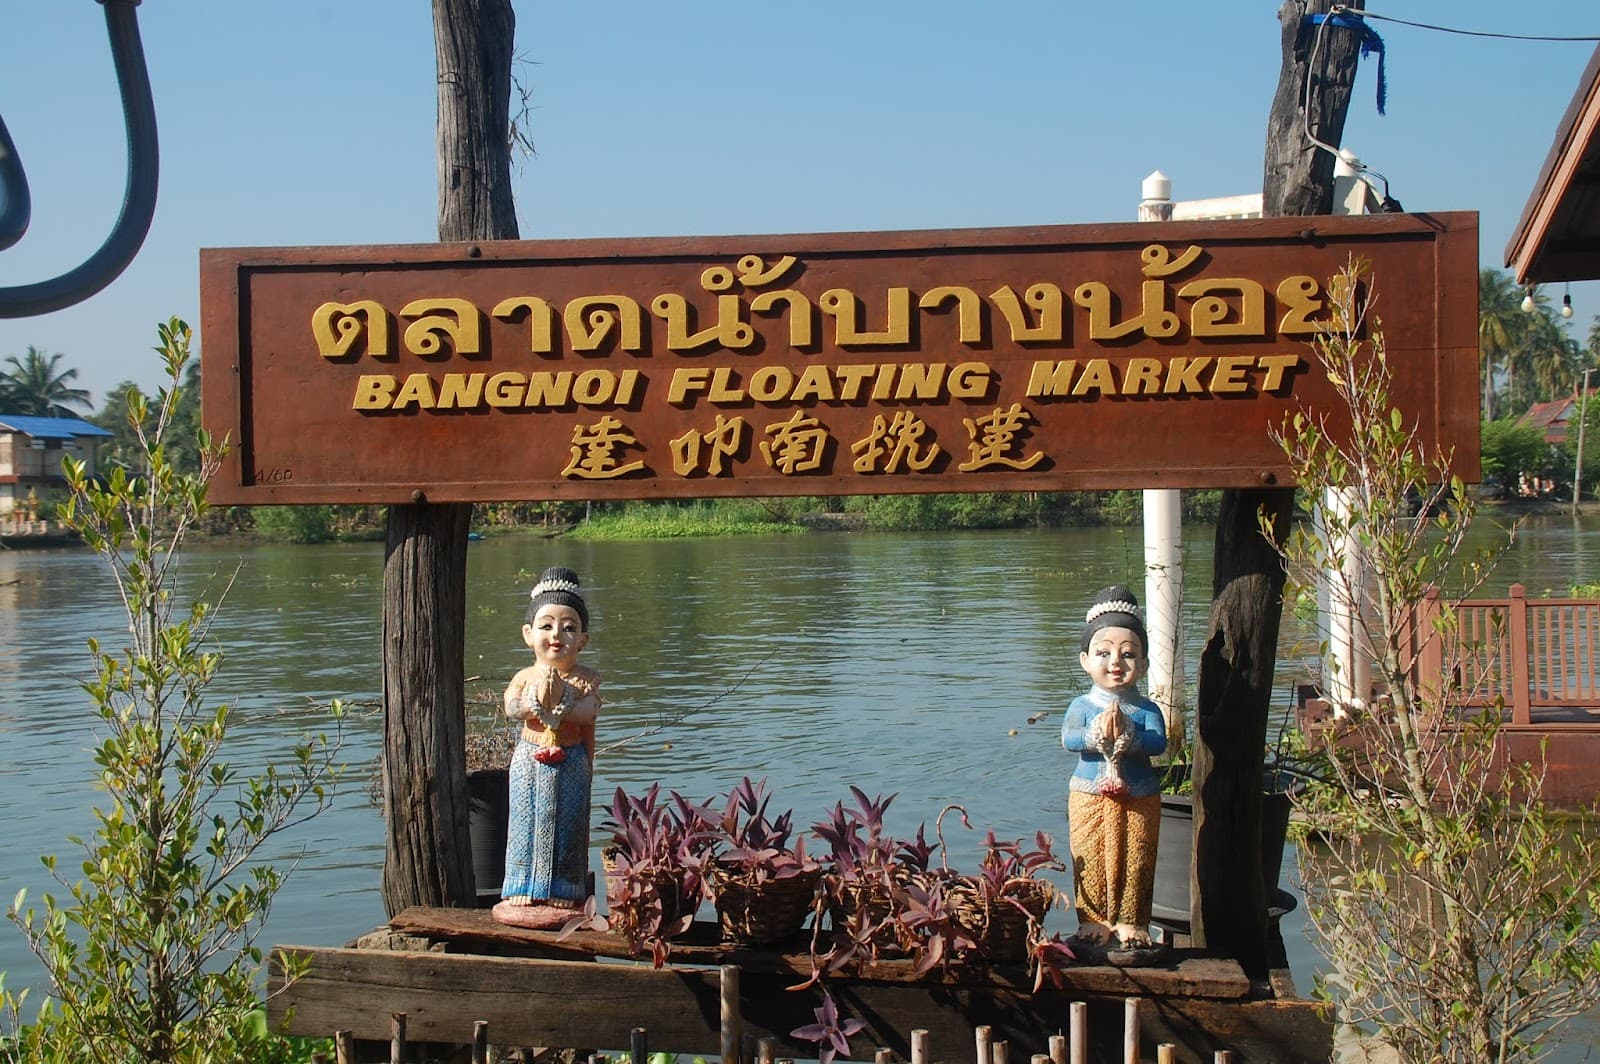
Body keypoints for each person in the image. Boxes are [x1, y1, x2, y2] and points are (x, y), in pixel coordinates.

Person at [491, 566, 602, 930]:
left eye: (569, 627)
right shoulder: (525, 676)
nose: (557, 635)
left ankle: (563, 889)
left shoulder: (584, 678)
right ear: (528, 633)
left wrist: (565, 701)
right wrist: (537, 698)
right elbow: (512, 707)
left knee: (568, 822)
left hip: (570, 758)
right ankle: (522, 887)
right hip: (530, 757)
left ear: (583, 639)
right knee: (525, 820)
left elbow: (590, 711)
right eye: (547, 625)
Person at [1060, 584, 1168, 958]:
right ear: (1085, 660)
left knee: (1136, 855)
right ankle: (1092, 920)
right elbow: (1069, 739)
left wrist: (1131, 733)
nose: (1115, 663)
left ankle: (1132, 921)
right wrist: (1095, 733)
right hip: (1090, 791)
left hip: (1138, 791)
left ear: (1145, 663)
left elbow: (1158, 743)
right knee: (1089, 854)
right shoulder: (1083, 704)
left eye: (1128, 654)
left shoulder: (1146, 709)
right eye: (1103, 653)